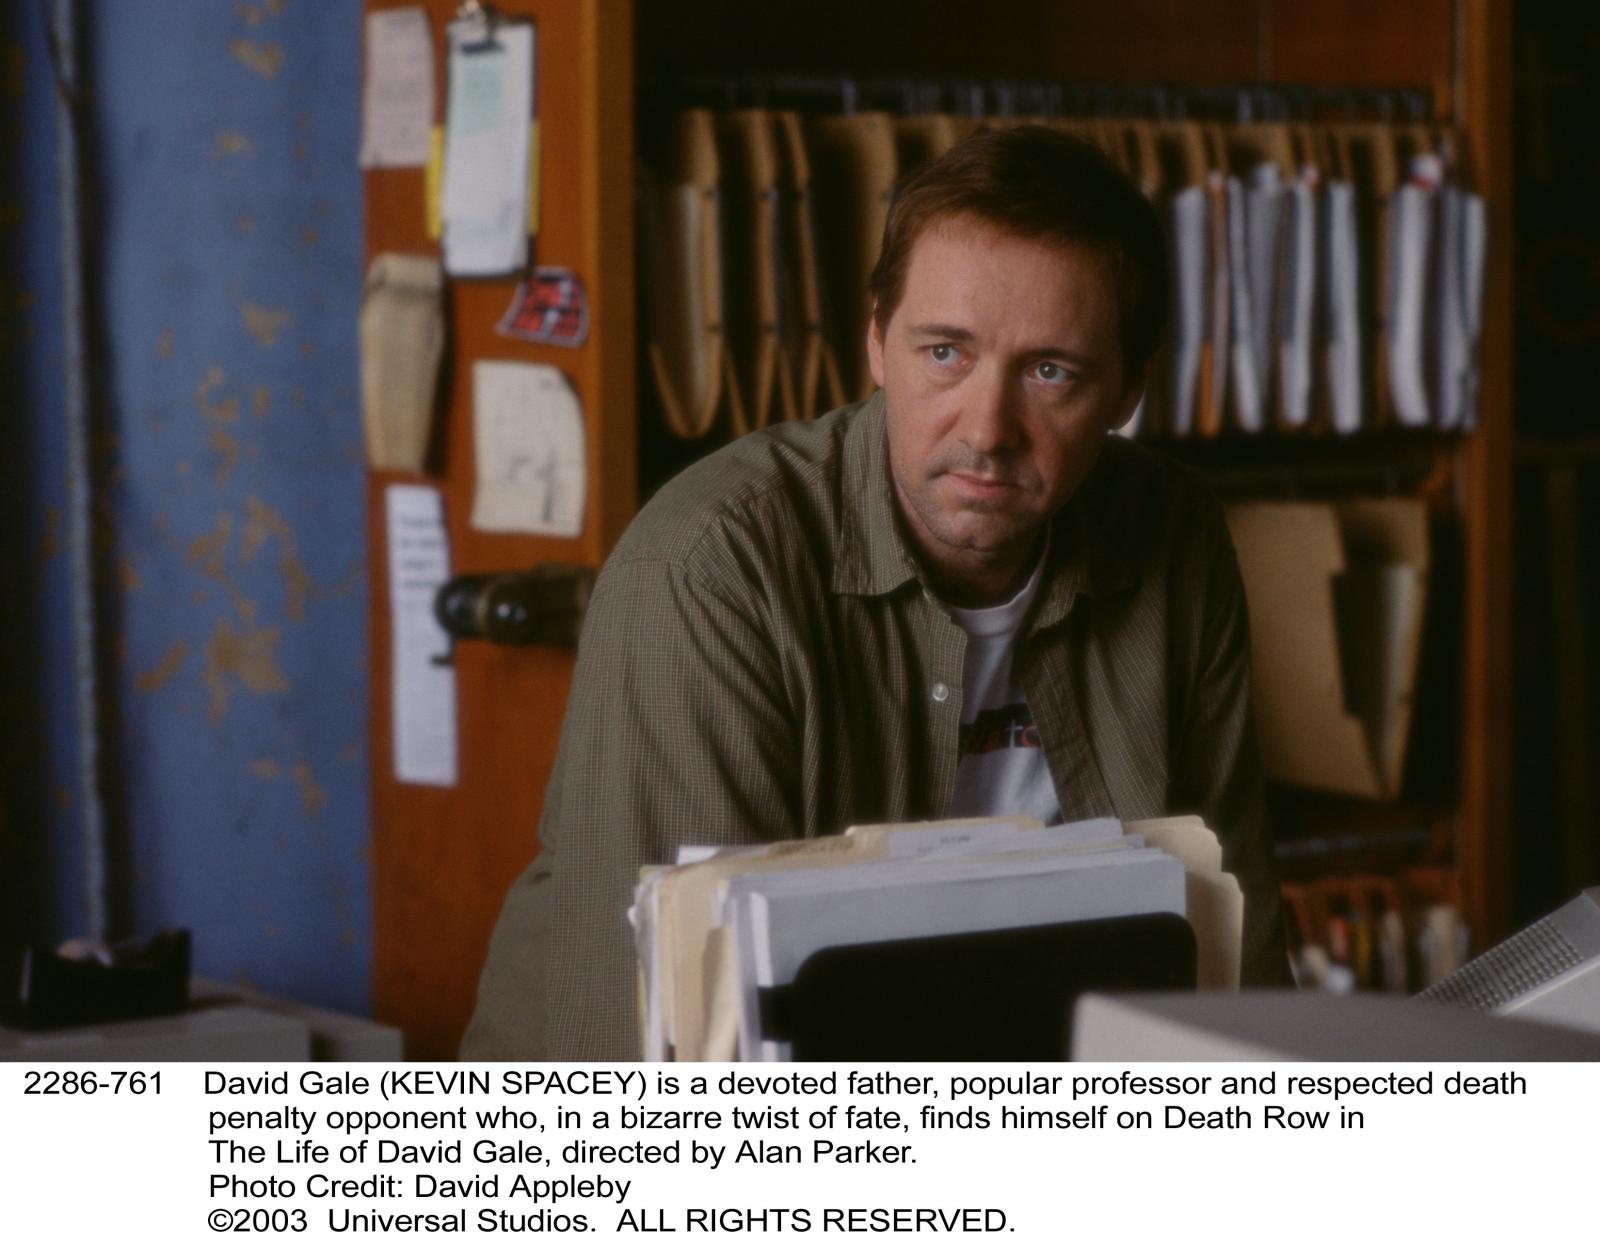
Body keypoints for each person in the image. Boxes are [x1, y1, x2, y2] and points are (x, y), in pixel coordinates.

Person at [463, 125, 1289, 1061]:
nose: (988, 429)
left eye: (1050, 371)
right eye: (945, 353)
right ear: (876, 343)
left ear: (1128, 391)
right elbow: (678, 1040)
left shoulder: (1174, 535)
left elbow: (1237, 935)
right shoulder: (706, 571)